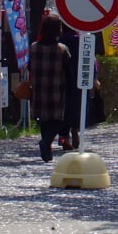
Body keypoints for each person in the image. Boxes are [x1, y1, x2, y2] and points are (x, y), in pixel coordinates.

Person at [27, 14, 70, 161]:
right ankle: (45, 143)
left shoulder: (34, 47)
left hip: (39, 89)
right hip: (56, 89)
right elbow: (68, 70)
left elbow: (29, 67)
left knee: (44, 120)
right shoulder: (62, 49)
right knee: (59, 120)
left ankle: (47, 150)